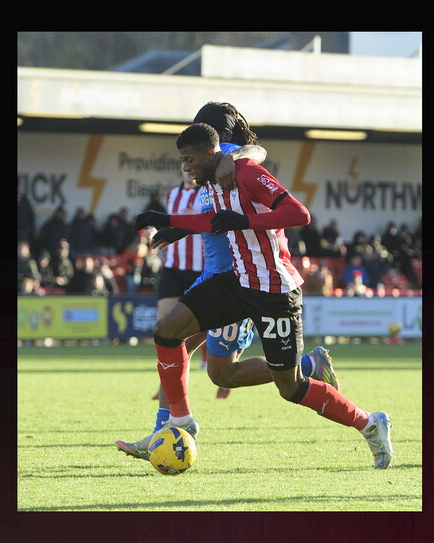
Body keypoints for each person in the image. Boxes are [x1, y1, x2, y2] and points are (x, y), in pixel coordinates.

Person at [131, 123, 393, 469]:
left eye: (189, 159)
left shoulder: (247, 172)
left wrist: (245, 221)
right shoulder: (211, 179)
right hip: (238, 282)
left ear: (212, 153)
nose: (186, 167)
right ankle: (180, 420)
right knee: (167, 330)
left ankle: (370, 424)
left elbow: (299, 214)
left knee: (291, 388)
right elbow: (215, 221)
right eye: (182, 160)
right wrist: (170, 222)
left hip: (275, 291)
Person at [116, 103, 338, 460]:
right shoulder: (220, 162)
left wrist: (235, 157)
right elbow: (215, 215)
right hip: (219, 274)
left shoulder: (230, 157)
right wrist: (178, 227)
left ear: (219, 137)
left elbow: (257, 158)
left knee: (181, 345)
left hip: (236, 278)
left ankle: (167, 430)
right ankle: (310, 366)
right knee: (217, 371)